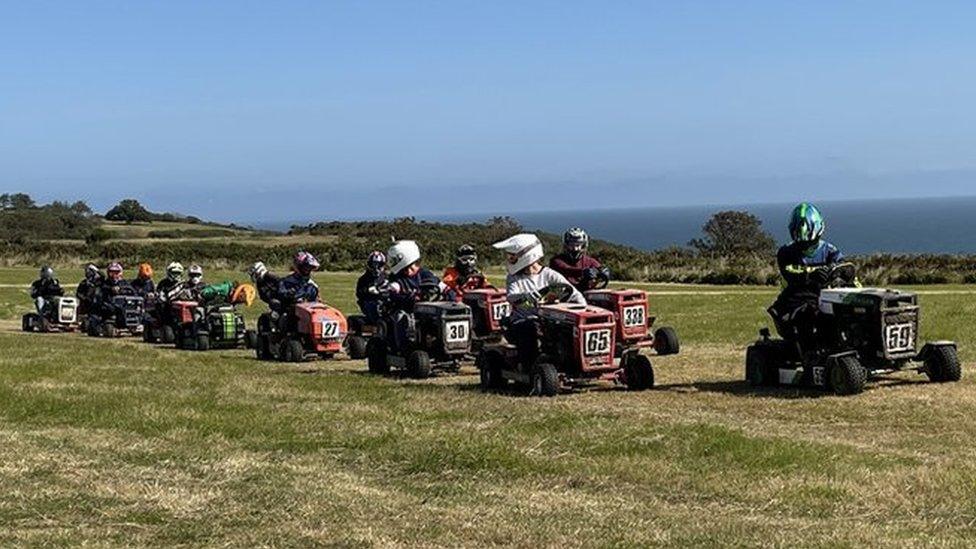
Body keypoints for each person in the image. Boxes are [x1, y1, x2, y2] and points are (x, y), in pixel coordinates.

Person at [494, 233, 585, 368]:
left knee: (565, 329)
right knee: (529, 328)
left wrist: (580, 306)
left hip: (549, 319)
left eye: (513, 257)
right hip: (523, 319)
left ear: (526, 255)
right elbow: (512, 297)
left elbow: (572, 293)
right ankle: (529, 366)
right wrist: (526, 296)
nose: (510, 260)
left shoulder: (549, 275)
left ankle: (570, 361)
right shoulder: (514, 278)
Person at [769, 202, 846, 352]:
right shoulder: (786, 252)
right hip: (794, 302)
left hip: (824, 298)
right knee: (808, 314)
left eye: (810, 242)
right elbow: (790, 272)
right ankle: (810, 361)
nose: (806, 247)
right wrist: (811, 275)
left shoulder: (831, 251)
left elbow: (844, 269)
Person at [384, 240, 452, 351]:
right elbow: (392, 292)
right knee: (400, 317)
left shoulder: (425, 274)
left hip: (428, 310)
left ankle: (444, 345)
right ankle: (404, 349)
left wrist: (451, 298)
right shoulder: (397, 278)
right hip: (407, 309)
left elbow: (444, 288)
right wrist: (410, 298)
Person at [549, 227, 611, 292]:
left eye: (578, 245)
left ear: (583, 245)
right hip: (565, 296)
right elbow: (566, 269)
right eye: (571, 245)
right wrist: (583, 272)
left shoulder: (589, 261)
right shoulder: (556, 260)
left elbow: (599, 267)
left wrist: (603, 272)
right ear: (566, 245)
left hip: (586, 296)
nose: (575, 248)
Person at [355, 251, 387, 324]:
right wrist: (368, 290)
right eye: (374, 265)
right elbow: (359, 294)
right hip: (370, 302)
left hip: (385, 301)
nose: (376, 267)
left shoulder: (386, 277)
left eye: (379, 265)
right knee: (374, 305)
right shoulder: (364, 279)